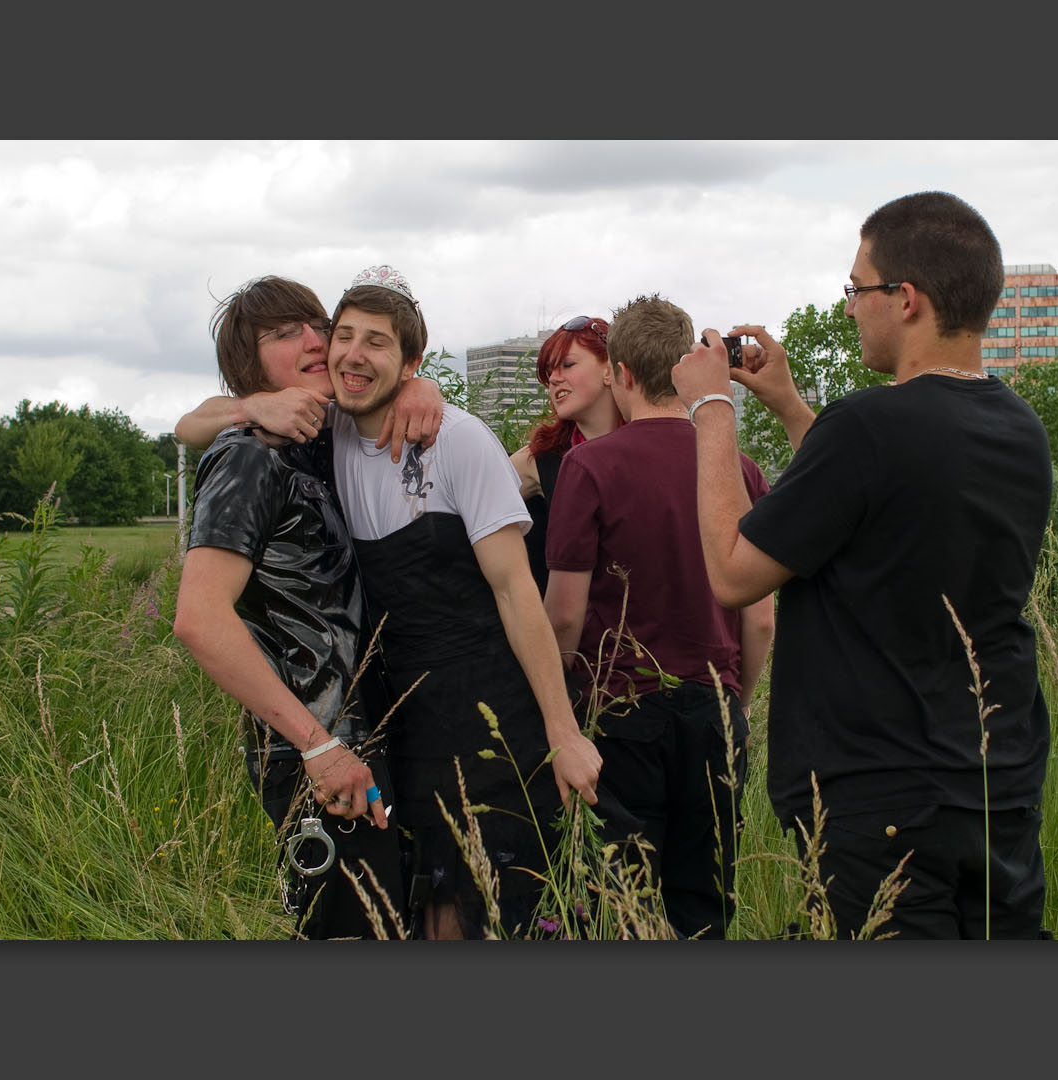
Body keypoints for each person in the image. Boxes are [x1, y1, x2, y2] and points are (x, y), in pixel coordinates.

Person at [670, 191, 1055, 940]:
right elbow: (875, 492)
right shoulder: (1018, 428)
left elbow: (732, 571)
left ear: (905, 299)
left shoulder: (870, 426)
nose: (849, 307)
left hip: (884, 798)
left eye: (857, 288)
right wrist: (788, 405)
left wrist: (712, 409)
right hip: (995, 784)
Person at [322, 265, 602, 939]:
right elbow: (203, 422)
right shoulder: (321, 430)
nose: (354, 354)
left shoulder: (457, 439)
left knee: (478, 918)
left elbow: (517, 594)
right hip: (400, 725)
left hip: (488, 720)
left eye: (378, 342)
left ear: (412, 360)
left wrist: (563, 733)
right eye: (344, 336)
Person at [171, 275, 400, 939]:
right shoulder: (250, 457)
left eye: (313, 325)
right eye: (281, 334)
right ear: (251, 367)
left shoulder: (326, 438)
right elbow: (199, 617)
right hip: (321, 754)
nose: (311, 339)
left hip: (371, 740)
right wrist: (318, 745)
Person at [543, 294, 773, 939]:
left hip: (618, 715)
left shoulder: (589, 466)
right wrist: (739, 704)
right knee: (703, 907)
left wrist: (560, 711)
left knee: (618, 905)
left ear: (621, 375)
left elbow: (563, 615)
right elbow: (760, 622)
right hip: (712, 713)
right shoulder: (743, 472)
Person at [510, 315, 624, 593]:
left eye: (568, 365)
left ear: (609, 369)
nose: (554, 379)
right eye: (549, 372)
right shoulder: (538, 460)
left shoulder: (650, 445)